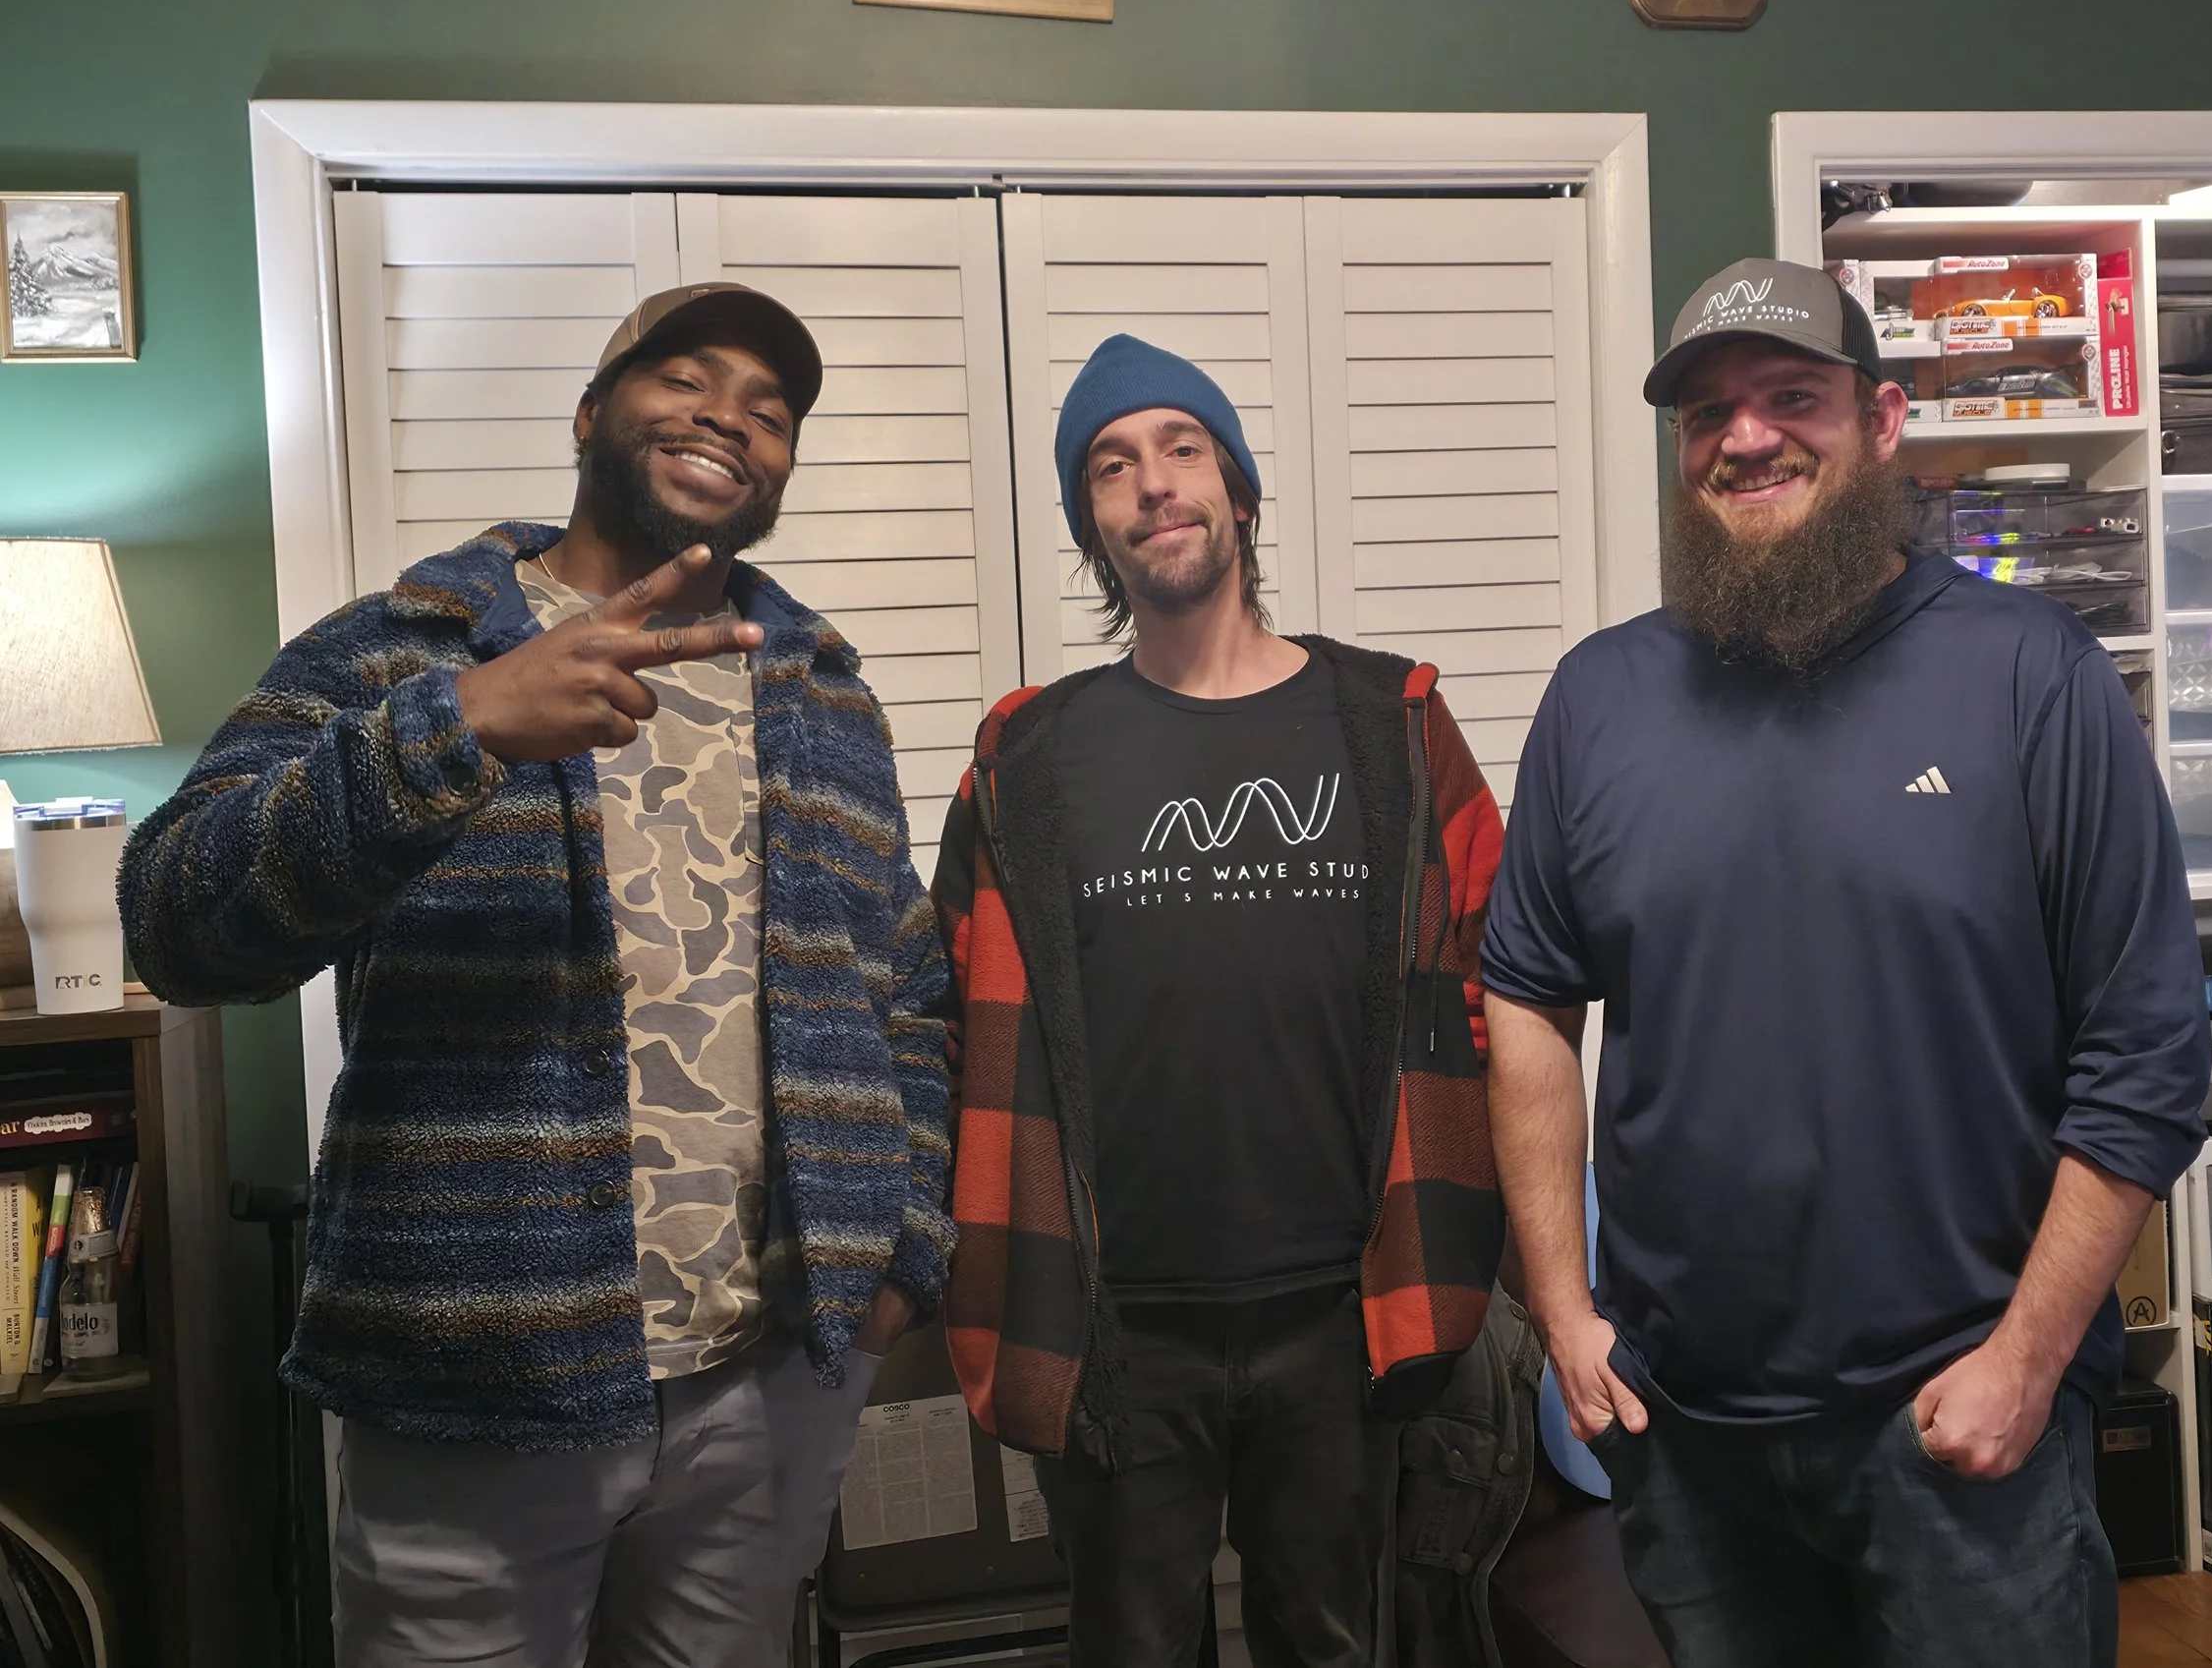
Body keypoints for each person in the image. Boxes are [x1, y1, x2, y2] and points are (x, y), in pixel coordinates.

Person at [120, 283, 953, 1668]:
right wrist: (462, 728)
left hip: (766, 1394)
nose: (728, 420)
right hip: (474, 1384)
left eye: (770, 409)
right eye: (687, 378)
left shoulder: (827, 697)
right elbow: (175, 918)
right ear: (591, 412)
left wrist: (900, 1254)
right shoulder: (405, 649)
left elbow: (910, 995)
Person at [1480, 259, 2209, 1668]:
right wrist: (1561, 1312)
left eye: (1789, 397)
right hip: (1687, 1435)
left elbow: (2148, 1047)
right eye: (1708, 412)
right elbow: (1526, 993)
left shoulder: (2031, 674)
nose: (1745, 437)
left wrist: (2031, 1357)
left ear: (1881, 421)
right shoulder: (1601, 699)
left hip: (1960, 1428)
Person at [930, 335, 1506, 1668]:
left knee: (1332, 1643)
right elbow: (951, 1019)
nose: (1152, 483)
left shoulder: (1395, 722)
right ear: (1092, 525)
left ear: (1238, 492)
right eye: (1111, 465)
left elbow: (1497, 982)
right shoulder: (1028, 754)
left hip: (1346, 1307)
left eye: (1182, 448)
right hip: (1113, 1318)